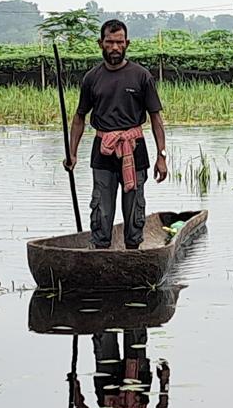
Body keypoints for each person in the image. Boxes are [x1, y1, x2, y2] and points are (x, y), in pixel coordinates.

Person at [65, 19, 169, 250]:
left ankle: (133, 252)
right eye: (109, 42)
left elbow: (156, 119)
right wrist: (72, 154)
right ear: (100, 43)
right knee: (101, 209)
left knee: (134, 209)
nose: (114, 48)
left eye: (119, 42)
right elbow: (79, 117)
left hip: (135, 148)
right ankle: (101, 252)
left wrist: (161, 156)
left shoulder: (141, 76)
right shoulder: (92, 78)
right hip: (103, 150)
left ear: (127, 43)